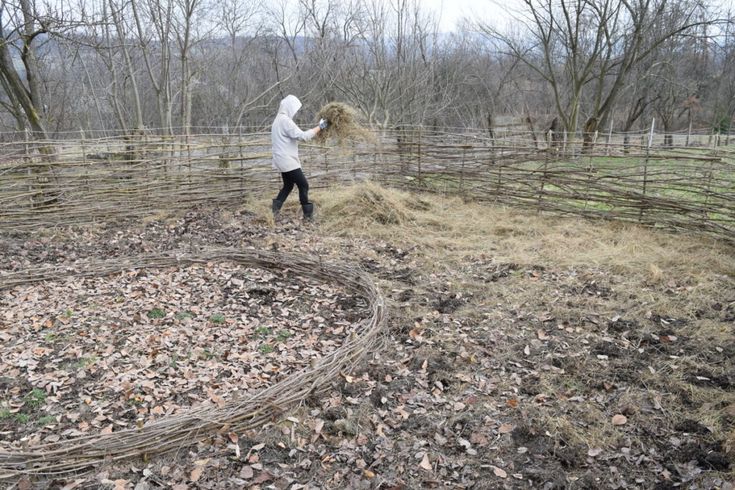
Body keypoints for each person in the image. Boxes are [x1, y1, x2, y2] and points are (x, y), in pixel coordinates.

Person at [271, 94, 329, 221]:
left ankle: (273, 212)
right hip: (287, 160)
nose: (295, 112)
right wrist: (320, 127)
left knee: (288, 185)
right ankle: (308, 216)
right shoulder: (285, 121)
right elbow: (303, 136)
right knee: (303, 185)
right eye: (294, 109)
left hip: (280, 159)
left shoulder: (277, 120)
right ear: (289, 108)